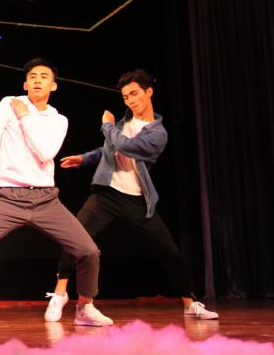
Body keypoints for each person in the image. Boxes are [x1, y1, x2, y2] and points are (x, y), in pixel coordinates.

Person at [45, 69, 218, 322]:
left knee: (168, 250)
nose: (130, 100)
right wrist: (84, 159)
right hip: (106, 195)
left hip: (136, 200)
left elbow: (126, 146)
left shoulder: (158, 133)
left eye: (135, 94)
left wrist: (106, 125)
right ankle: (60, 294)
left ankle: (189, 303)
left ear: (149, 92)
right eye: (126, 97)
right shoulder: (124, 122)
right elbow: (109, 148)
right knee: (75, 238)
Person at [0, 59, 113, 328]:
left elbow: (46, 152)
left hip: (46, 199)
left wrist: (25, 117)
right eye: (33, 76)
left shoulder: (58, 120)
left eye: (44, 76)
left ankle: (85, 307)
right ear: (25, 84)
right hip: (9, 196)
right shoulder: (8, 104)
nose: (38, 80)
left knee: (88, 251)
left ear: (54, 86)